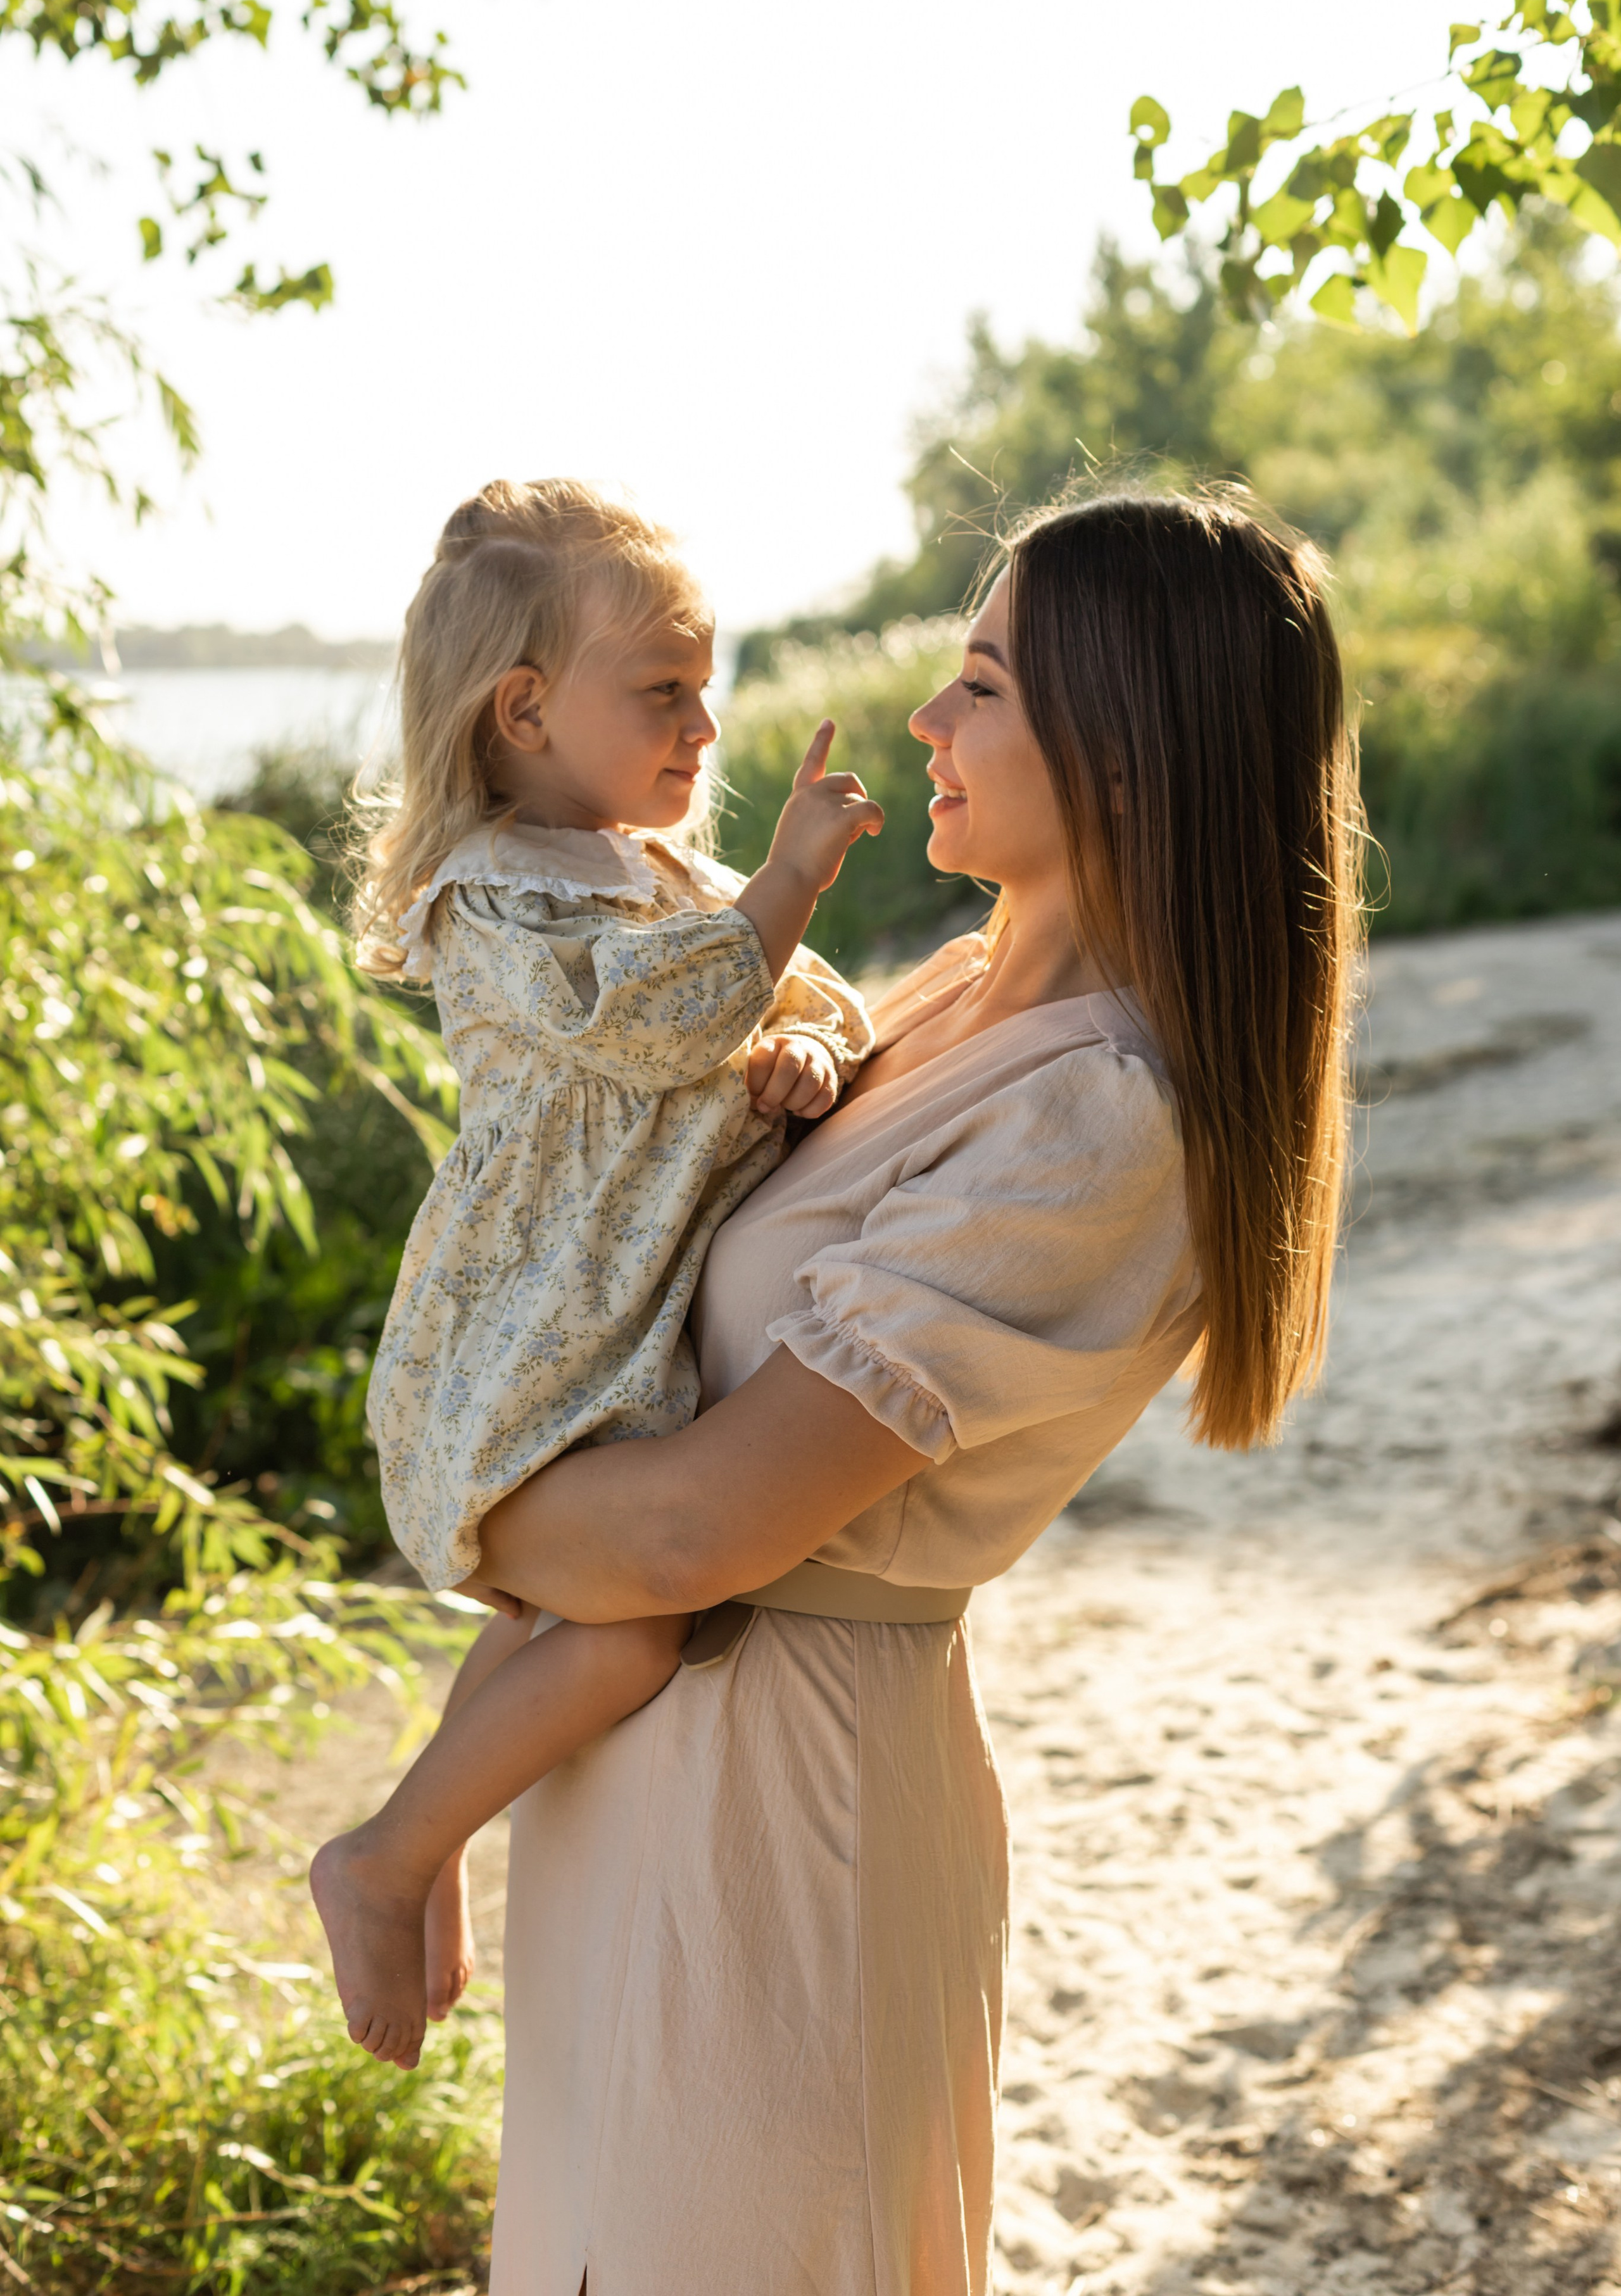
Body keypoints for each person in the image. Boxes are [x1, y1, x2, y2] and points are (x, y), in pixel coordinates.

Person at [456, 486, 1365, 2296]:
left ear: (1128, 748)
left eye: (984, 684)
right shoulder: (948, 998)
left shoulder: (1099, 1116)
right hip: (645, 1767)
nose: (931, 727)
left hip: (783, 1797)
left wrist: (451, 1480)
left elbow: (708, 1521)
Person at [310, 478, 880, 2068]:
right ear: (526, 707)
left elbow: (814, 1003)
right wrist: (785, 890)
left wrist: (809, 1060)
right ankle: (392, 1856)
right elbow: (640, 1024)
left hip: (623, 1346)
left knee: (574, 1620)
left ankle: (413, 1856)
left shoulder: (672, 881)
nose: (703, 724)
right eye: (664, 691)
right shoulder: (492, 891)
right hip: (532, 1339)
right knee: (627, 1632)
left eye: (710, 687)